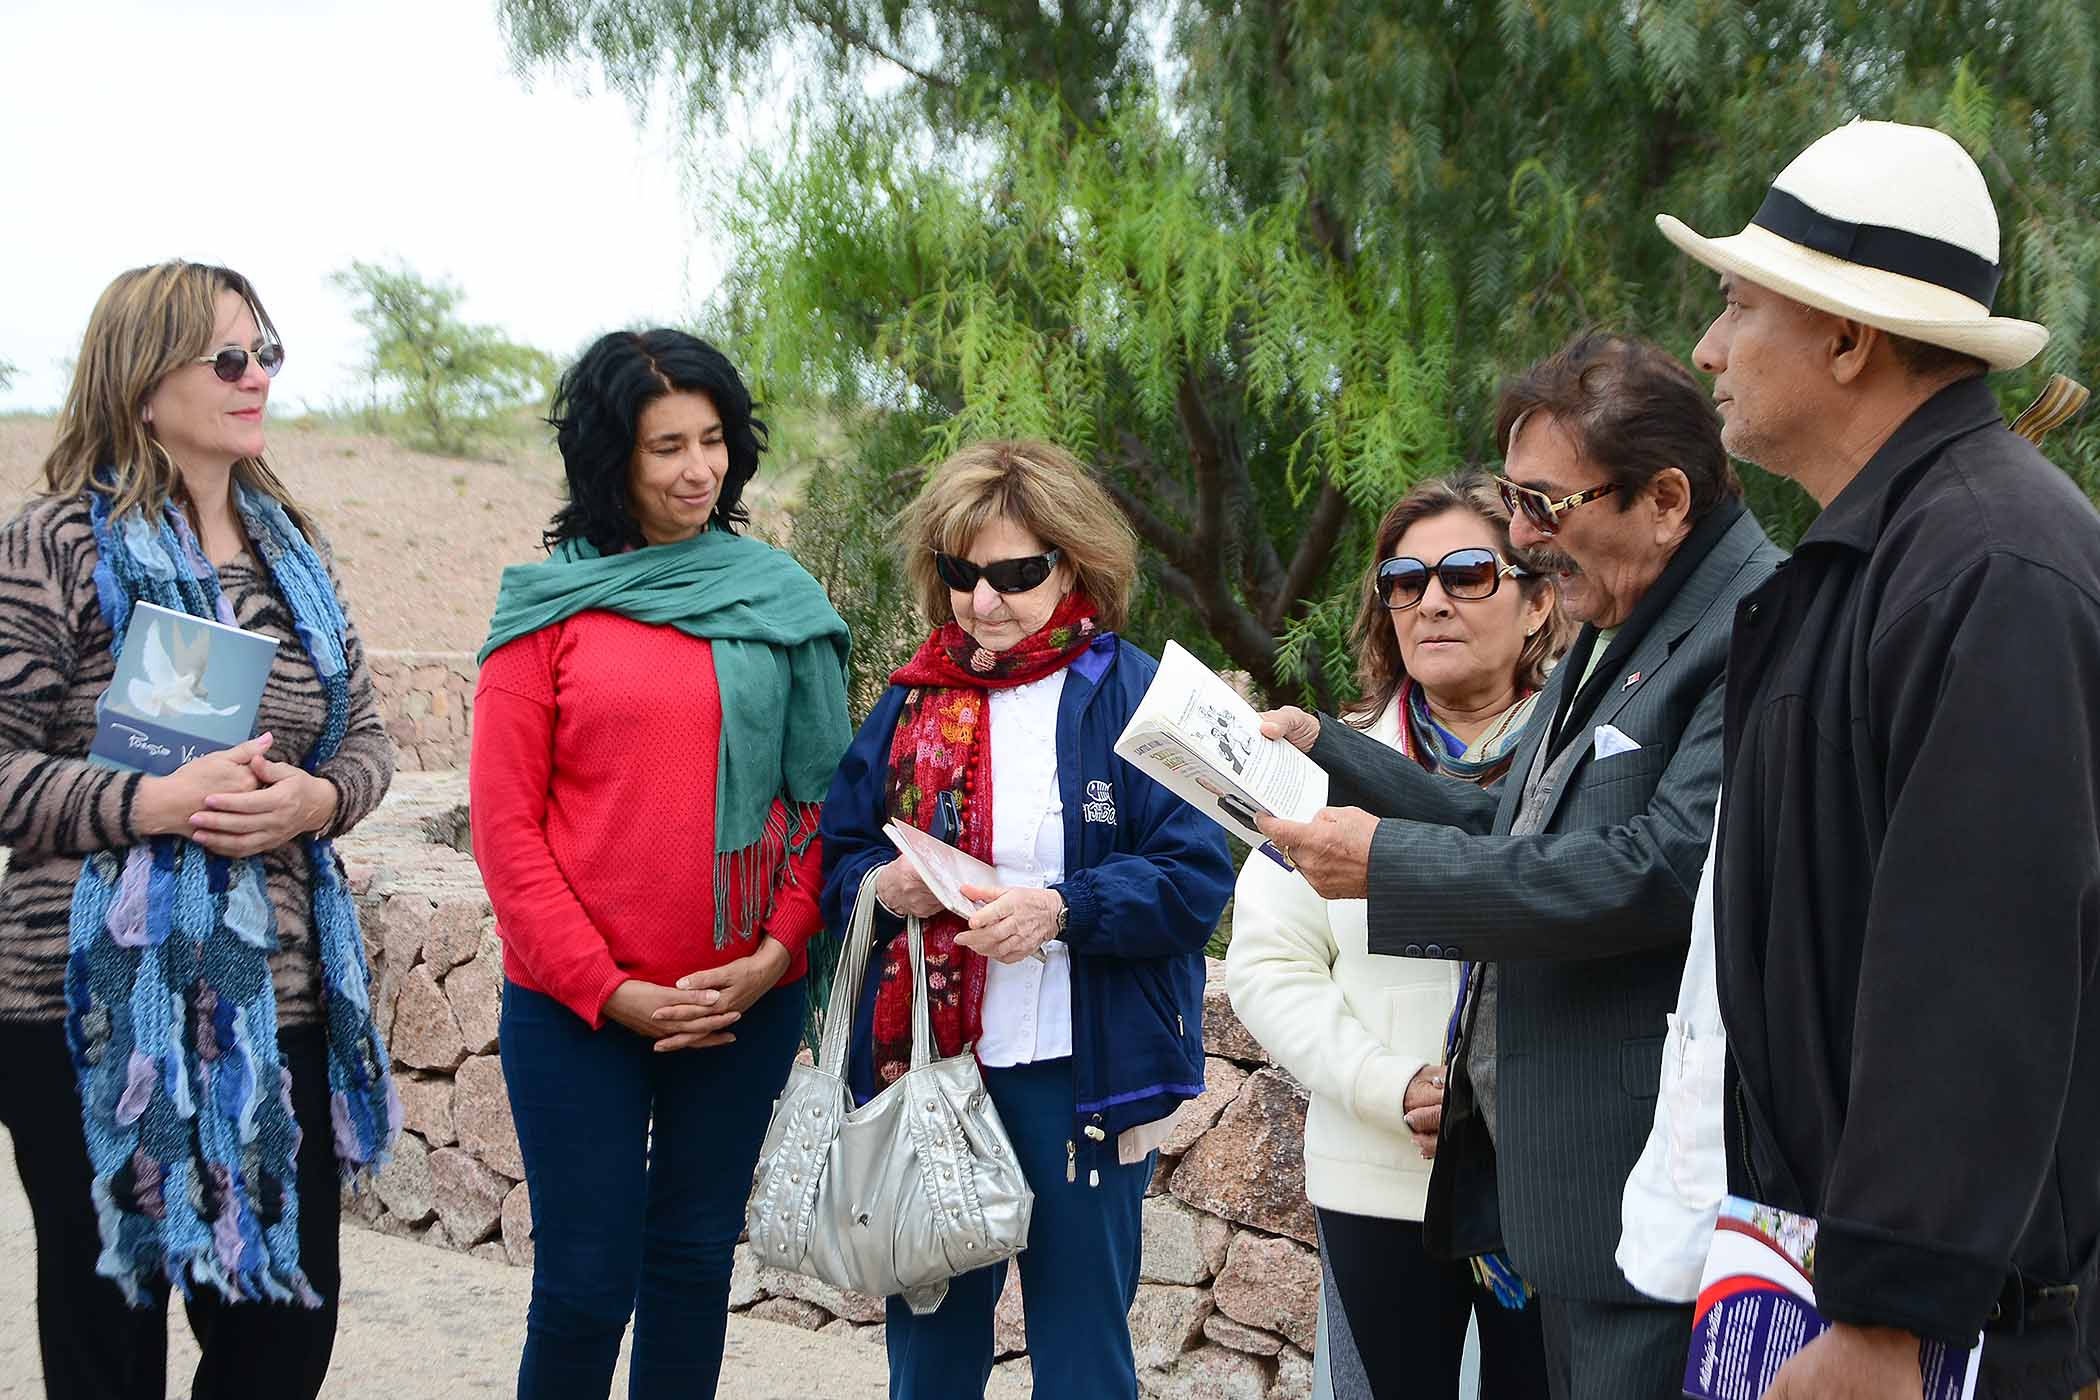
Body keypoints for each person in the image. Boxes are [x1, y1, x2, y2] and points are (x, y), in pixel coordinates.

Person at [1658, 118, 2100, 1400]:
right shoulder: (1891, 556)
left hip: (1955, 1336)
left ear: (1848, 339)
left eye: (1739, 305)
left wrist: (1889, 1313)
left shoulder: (1991, 567)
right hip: (1839, 1285)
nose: (1709, 347)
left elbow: (1980, 962)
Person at [1257, 331, 1783, 1400]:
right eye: (1517, 500)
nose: (1529, 538)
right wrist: (1329, 749)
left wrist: (1389, 869)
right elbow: (1517, 826)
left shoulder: (1749, 621)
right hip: (1559, 1188)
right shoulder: (1623, 608)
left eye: (1545, 507)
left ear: (1667, 499)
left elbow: (1660, 868)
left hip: (1641, 1174)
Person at [0, 260, 397, 1399]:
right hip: (83, 1009)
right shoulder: (51, 547)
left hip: (277, 1008)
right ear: (141, 381)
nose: (255, 376)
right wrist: (147, 803)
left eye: (266, 353)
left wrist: (317, 801)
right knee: (108, 1335)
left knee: (281, 1331)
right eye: (227, 359)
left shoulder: (292, 552)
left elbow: (362, 737)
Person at [469, 329, 852, 1399]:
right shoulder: (545, 612)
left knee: (690, 1264)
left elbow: (824, 802)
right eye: (665, 446)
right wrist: (609, 988)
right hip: (576, 1008)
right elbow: (507, 834)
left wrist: (778, 949)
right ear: (611, 458)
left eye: (714, 439)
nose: (698, 469)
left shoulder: (776, 599)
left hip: (741, 1002)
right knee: (586, 1283)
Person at [818, 439, 1234, 1400]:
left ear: (1074, 565)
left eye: (1015, 574)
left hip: (1079, 1073)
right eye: (963, 574)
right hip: (930, 1072)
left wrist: (1060, 911)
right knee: (930, 1360)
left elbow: (1195, 874)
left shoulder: (1136, 693)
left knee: (1085, 1357)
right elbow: (836, 859)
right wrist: (886, 889)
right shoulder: (910, 698)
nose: (984, 601)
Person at [1227, 469, 1568, 1398]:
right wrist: (1393, 1086)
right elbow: (1269, 965)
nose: (1432, 602)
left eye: (1467, 573)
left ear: (1538, 603)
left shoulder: (1584, 766)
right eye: (1404, 583)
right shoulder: (1327, 763)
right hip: (1381, 1176)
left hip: (1551, 1176)